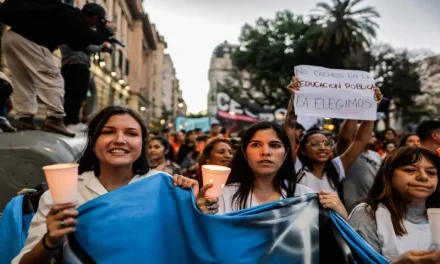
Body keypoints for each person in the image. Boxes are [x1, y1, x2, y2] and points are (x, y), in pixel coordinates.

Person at [11, 106, 197, 263]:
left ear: (142, 144)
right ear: (92, 142)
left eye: (131, 133)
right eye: (108, 132)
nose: (120, 140)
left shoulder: (165, 189)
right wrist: (50, 241)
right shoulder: (61, 193)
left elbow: (191, 248)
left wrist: (199, 208)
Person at [1, 2, 115, 137]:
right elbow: (92, 38)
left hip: (11, 38)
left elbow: (77, 45)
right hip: (32, 40)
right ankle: (55, 120)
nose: (94, 26)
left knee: (23, 81)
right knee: (53, 79)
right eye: (97, 22)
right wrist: (107, 29)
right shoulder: (74, 16)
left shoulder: (67, 16)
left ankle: (25, 119)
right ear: (93, 17)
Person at [195, 121, 348, 220]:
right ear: (244, 152)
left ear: (286, 153)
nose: (265, 152)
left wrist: (341, 214)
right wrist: (200, 213)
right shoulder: (222, 196)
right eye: (256, 145)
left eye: (274, 145)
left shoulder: (304, 196)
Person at [286, 76, 380, 195]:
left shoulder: (336, 169)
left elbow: (360, 141)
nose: (323, 147)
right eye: (315, 144)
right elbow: (289, 129)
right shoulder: (297, 167)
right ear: (303, 150)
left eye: (327, 143)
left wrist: (370, 110)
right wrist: (295, 98)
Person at [349, 147, 440, 261]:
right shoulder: (369, 213)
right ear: (388, 175)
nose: (423, 177)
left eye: (431, 172)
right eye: (410, 170)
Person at [60, 42, 112, 132]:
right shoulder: (76, 30)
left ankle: (68, 120)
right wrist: (102, 46)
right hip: (78, 64)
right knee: (77, 94)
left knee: (69, 93)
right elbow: (87, 44)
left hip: (67, 64)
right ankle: (72, 121)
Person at [343, 130, 382, 211]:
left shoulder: (376, 155)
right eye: (369, 136)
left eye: (374, 136)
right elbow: (344, 136)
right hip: (353, 203)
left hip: (374, 201)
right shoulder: (347, 155)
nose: (374, 139)